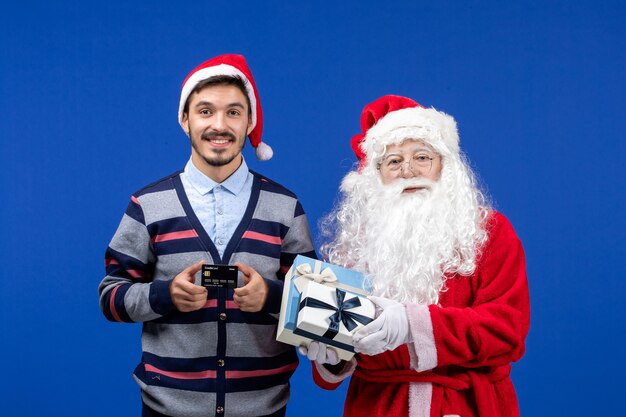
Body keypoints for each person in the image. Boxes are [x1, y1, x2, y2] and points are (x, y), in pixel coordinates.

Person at [99, 54, 316, 417]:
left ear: (250, 122)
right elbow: (111, 297)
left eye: (233, 112)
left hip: (264, 408)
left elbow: (318, 304)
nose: (220, 125)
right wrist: (164, 294)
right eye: (205, 111)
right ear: (185, 120)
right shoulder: (148, 205)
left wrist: (272, 296)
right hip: (166, 409)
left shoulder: (285, 206)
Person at [304, 95, 530, 417]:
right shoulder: (356, 245)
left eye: (422, 157)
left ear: (445, 166)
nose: (408, 170)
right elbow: (337, 362)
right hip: (377, 405)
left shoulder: (490, 231)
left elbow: (506, 330)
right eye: (393, 161)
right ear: (375, 174)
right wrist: (333, 355)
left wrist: (414, 325)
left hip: (465, 405)